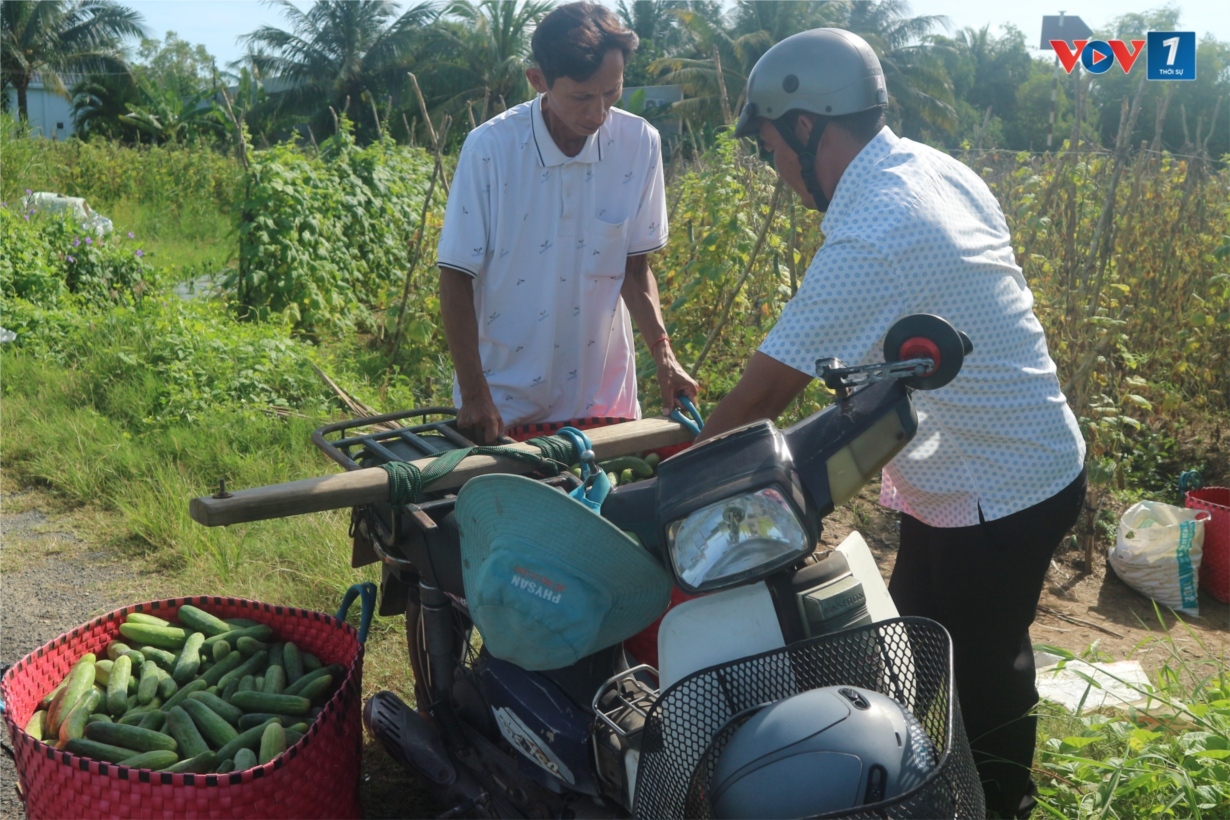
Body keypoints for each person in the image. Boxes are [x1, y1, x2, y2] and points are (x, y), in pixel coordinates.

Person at [696, 29, 1088, 820]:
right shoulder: (930, 168)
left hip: (1000, 482)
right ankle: (928, 775)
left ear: (809, 127)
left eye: (773, 148)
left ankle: (1001, 801)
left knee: (982, 660)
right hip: (980, 467)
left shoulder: (879, 228)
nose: (778, 171)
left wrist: (672, 484)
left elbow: (752, 404)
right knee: (914, 637)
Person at [435, 2, 697, 446]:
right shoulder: (491, 150)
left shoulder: (638, 145)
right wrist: (476, 394)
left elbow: (633, 269)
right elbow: (455, 276)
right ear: (538, 80)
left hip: (603, 406)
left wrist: (664, 356)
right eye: (580, 97)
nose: (598, 114)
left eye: (611, 93)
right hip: (504, 405)